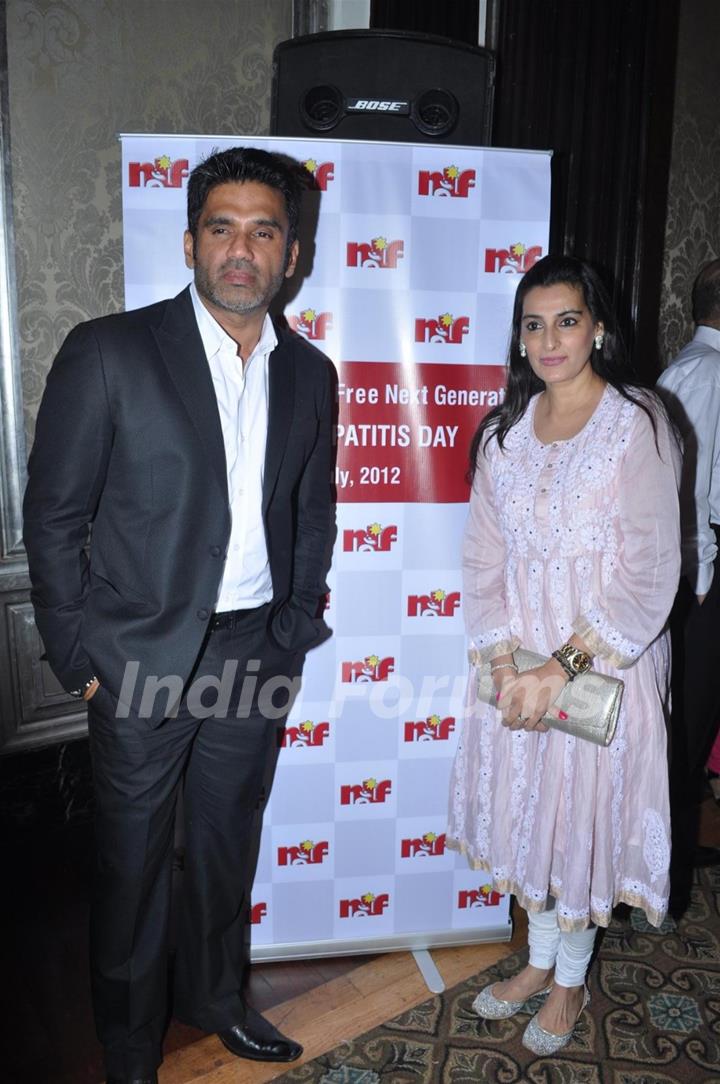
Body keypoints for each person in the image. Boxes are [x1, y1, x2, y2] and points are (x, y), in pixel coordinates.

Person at [23, 147, 335, 1084]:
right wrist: (77, 653)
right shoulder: (111, 350)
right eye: (222, 227)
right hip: (137, 658)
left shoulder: (310, 375)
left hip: (254, 652)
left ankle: (214, 1001)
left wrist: (292, 623)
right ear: (192, 239)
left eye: (264, 230)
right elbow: (55, 515)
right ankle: (126, 1046)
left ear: (292, 252)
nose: (242, 249)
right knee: (132, 864)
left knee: (226, 846)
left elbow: (310, 514)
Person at [447, 255, 681, 1055]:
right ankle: (538, 958)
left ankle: (571, 980)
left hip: (599, 665)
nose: (550, 339)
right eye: (534, 323)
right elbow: (480, 554)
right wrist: (503, 659)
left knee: (579, 821)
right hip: (518, 662)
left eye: (568, 320)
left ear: (600, 328)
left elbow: (650, 568)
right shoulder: (504, 433)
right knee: (531, 815)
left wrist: (563, 666)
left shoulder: (637, 423)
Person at [656, 259, 720, 867]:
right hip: (702, 567)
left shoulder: (700, 367)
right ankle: (660, 862)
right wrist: (698, 574)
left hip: (702, 562)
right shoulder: (704, 371)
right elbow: (687, 485)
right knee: (686, 721)